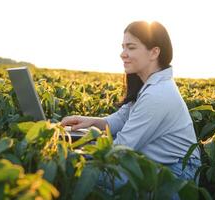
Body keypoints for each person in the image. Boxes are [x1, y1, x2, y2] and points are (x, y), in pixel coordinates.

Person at [61, 21, 201, 186]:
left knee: (79, 175)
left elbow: (121, 148)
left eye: (131, 47)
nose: (123, 54)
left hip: (177, 172)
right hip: (155, 163)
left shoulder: (158, 94)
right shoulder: (147, 84)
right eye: (123, 47)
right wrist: (91, 121)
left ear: (154, 52)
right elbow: (121, 119)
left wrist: (72, 153)